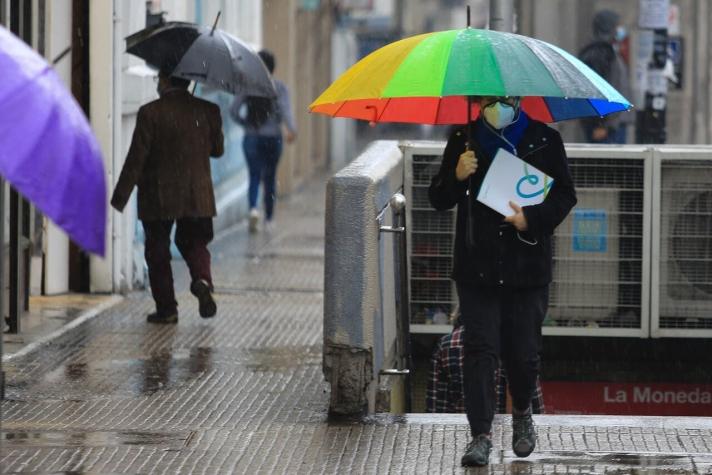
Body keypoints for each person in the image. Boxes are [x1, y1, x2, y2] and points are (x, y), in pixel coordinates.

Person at [428, 96, 577, 466]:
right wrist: (456, 176)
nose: (497, 105)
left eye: (505, 97)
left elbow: (565, 195)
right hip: (476, 267)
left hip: (527, 268)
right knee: (479, 350)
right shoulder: (464, 139)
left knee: (523, 353)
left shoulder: (544, 139)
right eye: (489, 98)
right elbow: (438, 198)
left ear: (519, 99)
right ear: (477, 101)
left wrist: (532, 218)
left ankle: (522, 412)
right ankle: (480, 435)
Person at [111, 72, 224, 324]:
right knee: (194, 242)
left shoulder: (150, 113)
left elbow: (136, 159)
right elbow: (217, 150)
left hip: (158, 194)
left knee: (158, 250)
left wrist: (120, 197)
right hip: (198, 194)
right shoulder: (209, 110)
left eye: (159, 80)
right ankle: (202, 279)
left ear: (165, 82)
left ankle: (167, 309)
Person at [230, 49, 297, 233]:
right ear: (273, 68)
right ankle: (268, 218)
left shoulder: (248, 86)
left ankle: (253, 209)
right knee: (270, 178)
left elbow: (233, 110)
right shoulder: (279, 88)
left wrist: (246, 123)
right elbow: (285, 111)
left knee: (254, 174)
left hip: (252, 137)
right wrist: (292, 130)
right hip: (273, 138)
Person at [426, 321, 545, 415]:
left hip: (460, 435)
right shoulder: (519, 344)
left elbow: (435, 409)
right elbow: (536, 408)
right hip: (506, 438)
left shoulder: (446, 345)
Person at [579, 9, 634, 144]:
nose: (619, 30)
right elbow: (597, 91)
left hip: (613, 125)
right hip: (607, 128)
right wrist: (601, 124)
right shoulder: (600, 53)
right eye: (616, 26)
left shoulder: (609, 51)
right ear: (607, 27)